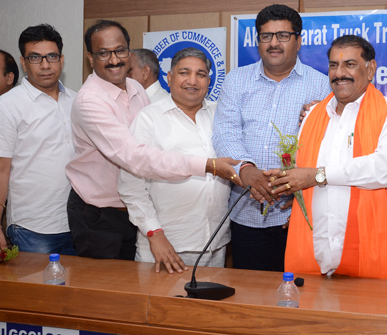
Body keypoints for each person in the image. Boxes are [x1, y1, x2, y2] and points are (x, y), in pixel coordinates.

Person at [66, 20, 240, 261]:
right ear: (90, 57)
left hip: (142, 218)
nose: (114, 60)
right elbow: (135, 158)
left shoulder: (136, 88)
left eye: (120, 51)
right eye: (104, 53)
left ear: (129, 52)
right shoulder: (90, 102)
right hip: (100, 214)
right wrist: (207, 165)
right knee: (109, 284)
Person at [266, 35, 387, 279]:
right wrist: (280, 183)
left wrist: (317, 176)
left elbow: (385, 169)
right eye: (333, 65)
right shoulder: (312, 115)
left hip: (366, 251)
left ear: (370, 69)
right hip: (313, 249)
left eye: (349, 64)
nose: (339, 73)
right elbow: (301, 171)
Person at [212, 4, 330, 272]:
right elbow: (225, 131)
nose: (274, 43)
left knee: (301, 290)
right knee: (251, 292)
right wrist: (246, 170)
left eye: (283, 36)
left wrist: (302, 191)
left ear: (298, 41)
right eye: (266, 36)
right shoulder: (236, 80)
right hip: (246, 214)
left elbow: (327, 147)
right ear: (258, 41)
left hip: (298, 215)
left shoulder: (321, 85)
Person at [119, 48, 231, 273]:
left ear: (209, 82)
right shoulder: (149, 119)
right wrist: (154, 234)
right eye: (184, 72)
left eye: (200, 74)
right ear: (169, 78)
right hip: (166, 247)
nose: (193, 81)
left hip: (215, 245)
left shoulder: (222, 115)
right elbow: (131, 186)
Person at [0, 24, 76, 254]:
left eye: (51, 56)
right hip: (32, 228)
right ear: (23, 63)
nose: (45, 65)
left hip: (79, 224)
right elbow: (2, 169)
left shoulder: (77, 100)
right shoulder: (7, 105)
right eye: (35, 57)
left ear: (61, 60)